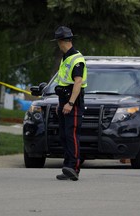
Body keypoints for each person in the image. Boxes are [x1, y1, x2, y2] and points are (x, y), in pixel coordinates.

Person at [52, 26, 87, 181]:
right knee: (64, 136)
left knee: (72, 135)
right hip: (64, 101)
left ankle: (74, 167)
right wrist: (61, 103)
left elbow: (77, 83)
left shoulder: (76, 59)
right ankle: (67, 167)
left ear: (61, 41)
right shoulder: (66, 57)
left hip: (73, 103)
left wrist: (71, 103)